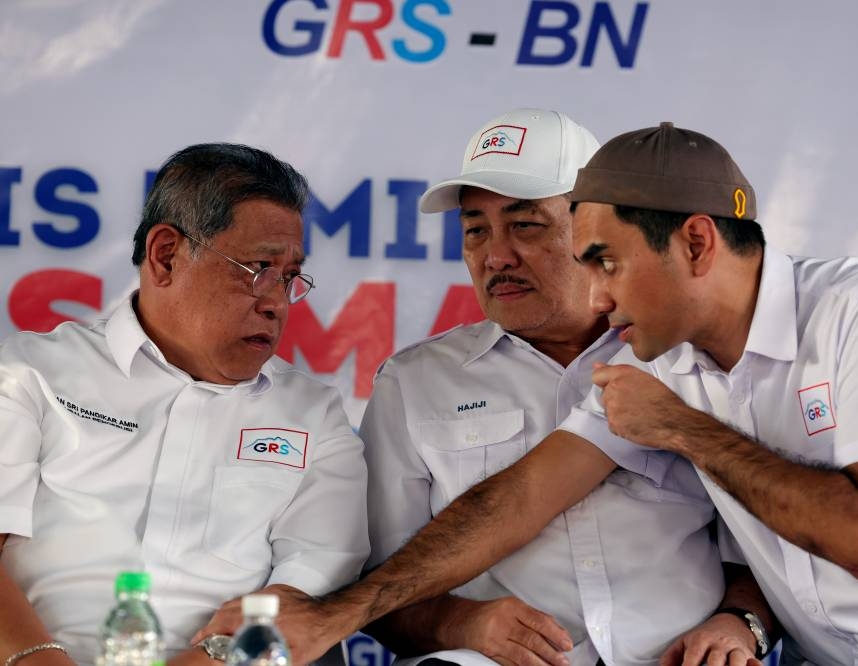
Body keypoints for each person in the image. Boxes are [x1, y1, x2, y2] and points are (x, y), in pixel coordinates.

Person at [197, 112, 777, 666]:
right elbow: (377, 591)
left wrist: (738, 622)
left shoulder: (685, 356)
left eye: (525, 225)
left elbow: (777, 542)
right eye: (475, 231)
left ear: (596, 227)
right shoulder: (415, 381)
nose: (496, 256)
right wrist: (462, 623)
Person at [557, 122, 858, 665]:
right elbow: (528, 493)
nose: (597, 298)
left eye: (608, 263)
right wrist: (742, 623)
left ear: (696, 244)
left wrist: (681, 427)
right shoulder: (657, 356)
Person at [0, 143, 369, 666]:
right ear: (166, 255)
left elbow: (303, 599)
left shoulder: (315, 416)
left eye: (289, 278)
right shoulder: (29, 374)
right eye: (259, 267)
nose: (278, 302)